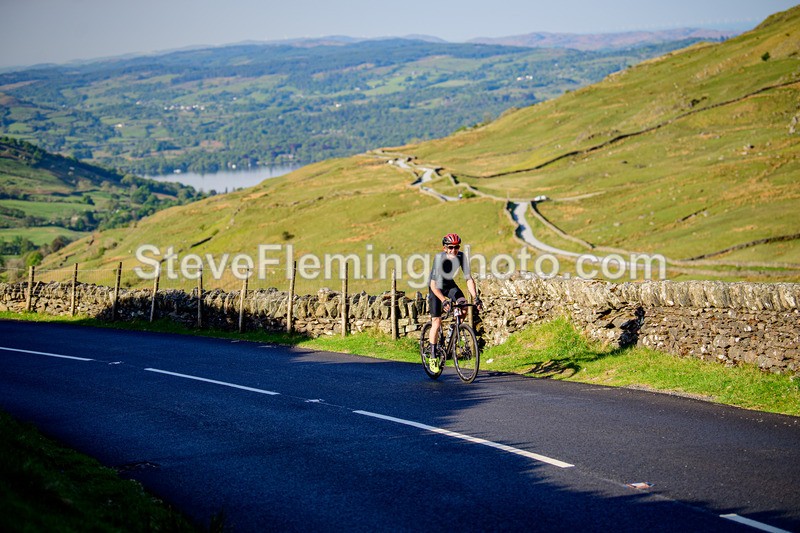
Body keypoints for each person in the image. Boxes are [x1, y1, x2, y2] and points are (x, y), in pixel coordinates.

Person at [428, 233, 481, 361]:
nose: (454, 250)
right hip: (436, 287)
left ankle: (454, 327)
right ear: (444, 248)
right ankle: (433, 356)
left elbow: (468, 279)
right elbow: (433, 285)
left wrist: (475, 297)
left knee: (463, 306)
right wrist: (444, 300)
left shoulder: (461, 256)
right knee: (436, 321)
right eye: (450, 247)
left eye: (456, 247)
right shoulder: (439, 258)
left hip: (449, 284)